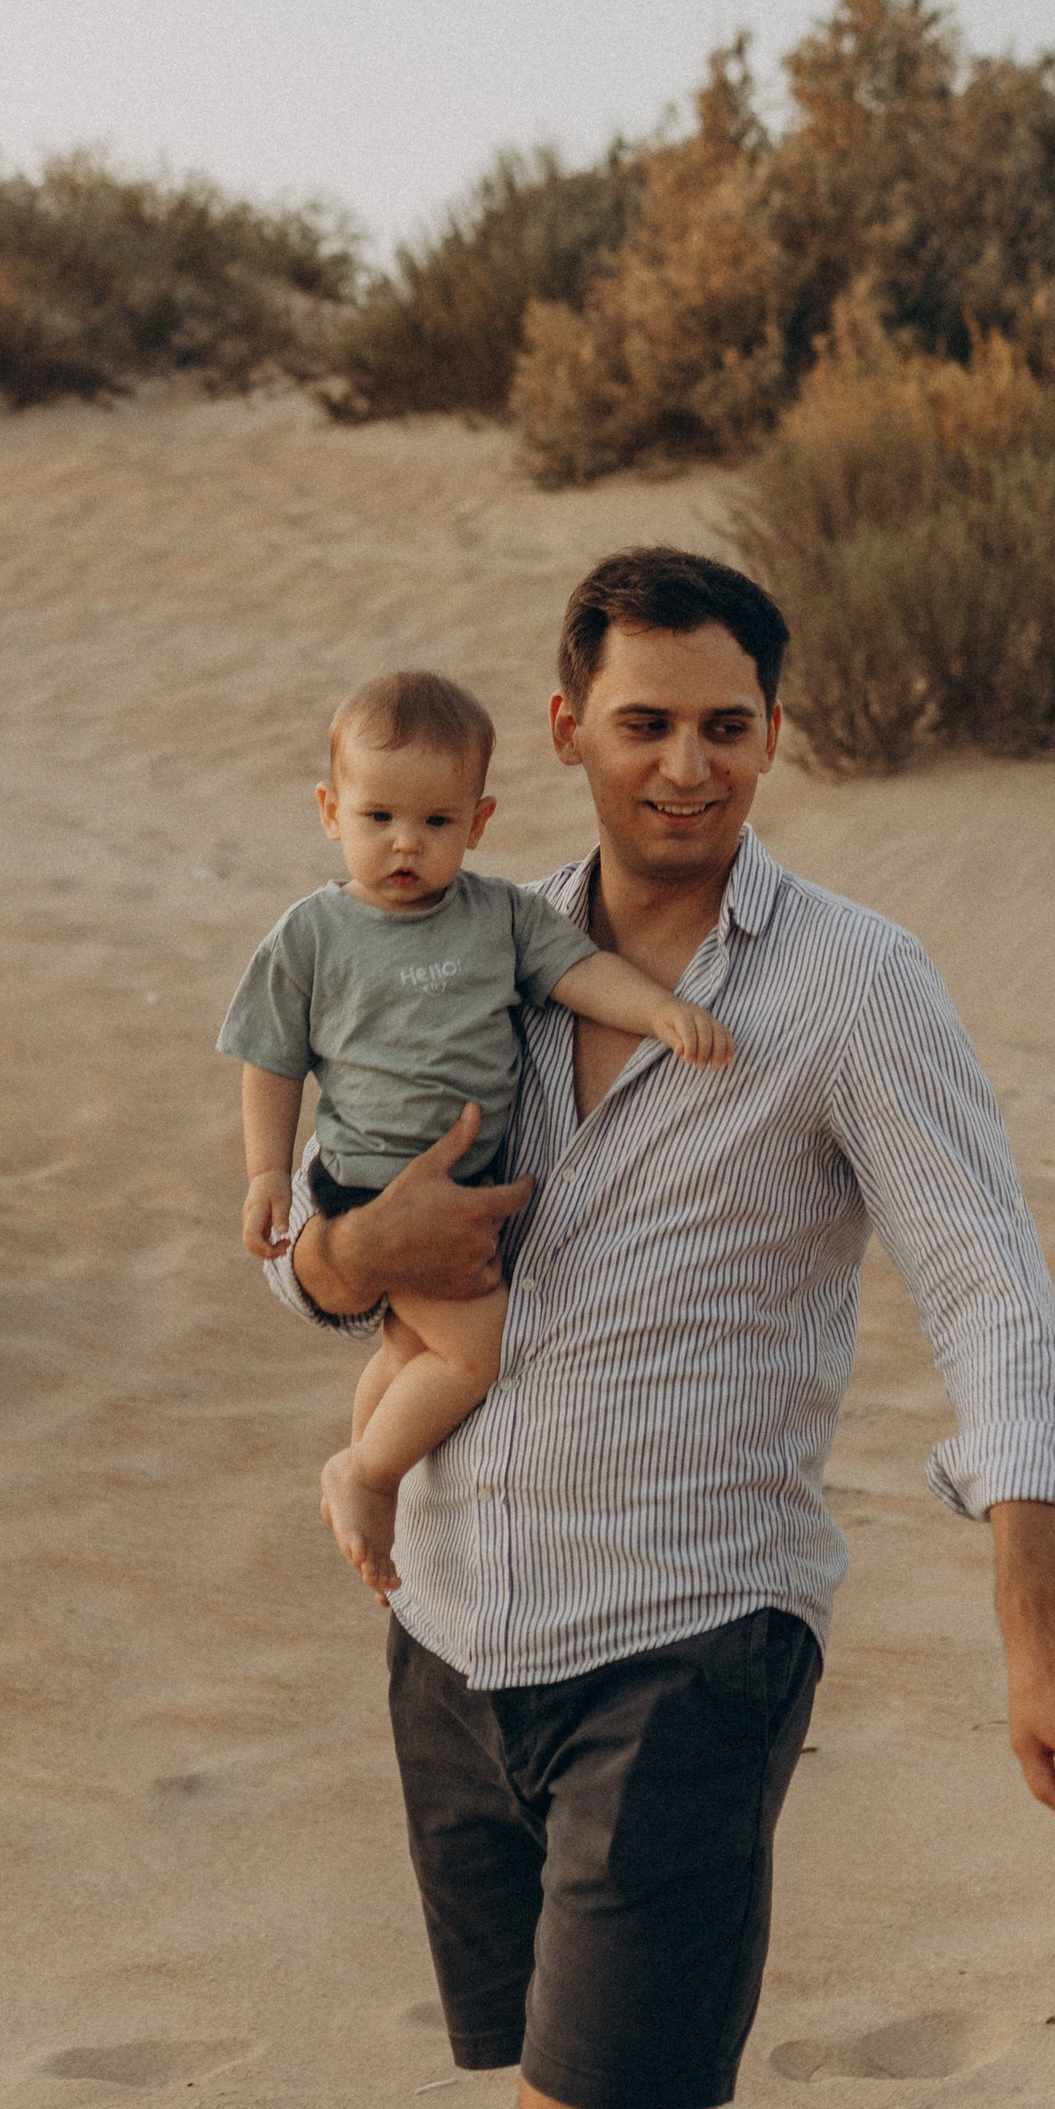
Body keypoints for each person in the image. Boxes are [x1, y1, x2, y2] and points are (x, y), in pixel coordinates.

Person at [265, 548, 1055, 2109]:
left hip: (692, 1637)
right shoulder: (462, 949)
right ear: (561, 730)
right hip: (457, 1632)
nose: (689, 766)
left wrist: (1039, 1609)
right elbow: (322, 1255)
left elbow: (986, 1286)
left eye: (727, 726)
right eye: (645, 723)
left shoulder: (853, 983)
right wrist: (344, 1255)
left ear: (774, 733)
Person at [219, 666, 736, 1600]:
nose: (406, 845)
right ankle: (366, 1475)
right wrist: (265, 1174)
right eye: (379, 820)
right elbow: (271, 1057)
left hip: (467, 1193)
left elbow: (581, 975)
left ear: (479, 823)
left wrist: (660, 1011)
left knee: (412, 1353)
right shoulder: (312, 934)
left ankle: (373, 1469)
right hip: (368, 1185)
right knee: (472, 1353)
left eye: (436, 824)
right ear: (332, 811)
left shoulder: (499, 917)